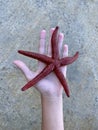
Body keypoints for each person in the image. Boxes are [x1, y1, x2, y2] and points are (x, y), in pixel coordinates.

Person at [13, 27, 68, 130]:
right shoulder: (55, 63)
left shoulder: (54, 64)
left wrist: (53, 96)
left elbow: (69, 59)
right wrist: (52, 96)